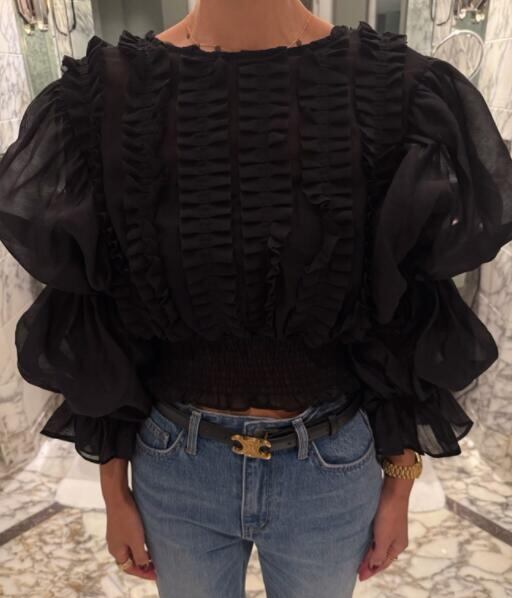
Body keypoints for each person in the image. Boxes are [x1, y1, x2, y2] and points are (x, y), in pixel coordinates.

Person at [1, 0, 511, 596]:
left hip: (329, 468)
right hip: (176, 465)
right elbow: (99, 318)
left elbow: (406, 314)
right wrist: (114, 493)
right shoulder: (105, 97)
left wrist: (399, 485)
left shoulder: (394, 90)